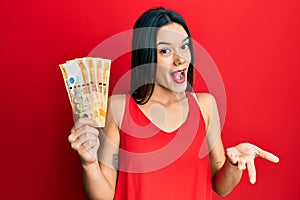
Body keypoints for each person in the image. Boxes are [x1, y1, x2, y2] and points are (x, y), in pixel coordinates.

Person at [68, 7, 279, 200]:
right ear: (146, 56)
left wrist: (234, 166)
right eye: (165, 51)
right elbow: (104, 196)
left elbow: (220, 187)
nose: (180, 59)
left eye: (184, 46)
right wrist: (89, 163)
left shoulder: (205, 106)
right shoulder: (118, 108)